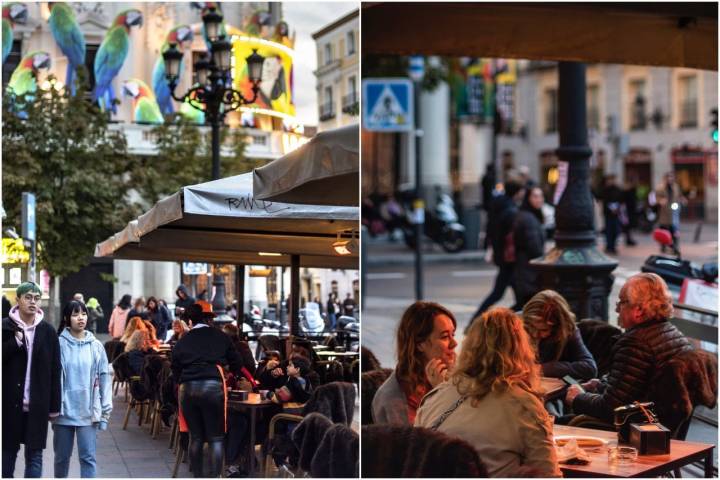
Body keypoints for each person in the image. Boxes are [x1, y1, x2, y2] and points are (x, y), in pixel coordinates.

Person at [415, 307, 561, 478]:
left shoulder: (434, 397)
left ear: (469, 346)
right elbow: (548, 474)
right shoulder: (525, 407)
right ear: (522, 350)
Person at [565, 273, 693, 423]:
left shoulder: (636, 343)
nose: (617, 309)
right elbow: (632, 388)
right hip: (656, 426)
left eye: (621, 302)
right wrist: (600, 385)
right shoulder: (671, 333)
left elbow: (611, 408)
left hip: (634, 430)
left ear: (638, 310)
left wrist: (577, 398)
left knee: (550, 425)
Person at [171, 302, 242, 478]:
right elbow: (237, 363)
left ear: (190, 320)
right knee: (216, 438)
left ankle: (198, 476)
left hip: (187, 388)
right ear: (207, 318)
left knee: (195, 437)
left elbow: (175, 368)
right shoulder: (220, 336)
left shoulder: (183, 340)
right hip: (213, 386)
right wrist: (229, 371)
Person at [2, 282, 61, 478]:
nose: (33, 302)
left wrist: (54, 406)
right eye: (28, 297)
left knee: (35, 457)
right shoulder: (5, 327)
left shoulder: (48, 332)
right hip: (8, 404)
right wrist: (15, 343)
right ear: (17, 300)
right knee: (6, 457)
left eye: (36, 298)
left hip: (37, 405)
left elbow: (55, 370)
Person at [372, 301, 458, 425]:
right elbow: (421, 441)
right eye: (444, 337)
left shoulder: (451, 375)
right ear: (420, 344)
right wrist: (441, 395)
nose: (454, 343)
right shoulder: (395, 399)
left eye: (453, 334)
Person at [53, 300, 112, 478]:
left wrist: (105, 411)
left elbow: (104, 378)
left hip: (88, 413)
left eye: (84, 313)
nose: (81, 318)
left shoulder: (96, 346)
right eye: (75, 314)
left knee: (88, 458)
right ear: (66, 318)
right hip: (63, 413)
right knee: (61, 459)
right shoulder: (58, 345)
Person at [470, 179, 525, 322]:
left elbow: (493, 231)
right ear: (517, 192)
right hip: (509, 259)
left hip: (504, 257)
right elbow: (507, 236)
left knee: (517, 297)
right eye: (521, 191)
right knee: (505, 295)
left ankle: (487, 321)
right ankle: (488, 321)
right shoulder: (510, 211)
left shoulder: (500, 205)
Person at [522, 290, 597, 381]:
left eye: (544, 330)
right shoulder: (514, 325)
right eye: (532, 327)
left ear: (558, 327)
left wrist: (541, 369)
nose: (535, 334)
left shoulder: (568, 331)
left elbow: (589, 368)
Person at [513, 185, 546, 307]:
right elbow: (535, 247)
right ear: (528, 198)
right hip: (528, 271)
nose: (539, 199)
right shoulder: (528, 219)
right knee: (527, 308)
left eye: (541, 196)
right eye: (535, 196)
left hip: (526, 270)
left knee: (524, 307)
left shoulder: (529, 216)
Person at [654, 172, 685, 255]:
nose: (670, 179)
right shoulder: (660, 188)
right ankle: (663, 246)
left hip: (673, 211)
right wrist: (660, 201)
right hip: (664, 212)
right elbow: (656, 198)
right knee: (663, 229)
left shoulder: (675, 187)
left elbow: (679, 196)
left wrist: (682, 199)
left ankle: (675, 247)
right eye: (668, 177)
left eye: (671, 177)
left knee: (674, 229)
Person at [599, 174, 624, 254]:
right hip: (608, 213)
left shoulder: (617, 189)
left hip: (616, 213)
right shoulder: (604, 190)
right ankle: (609, 246)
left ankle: (612, 246)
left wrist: (617, 208)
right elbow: (601, 197)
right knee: (608, 230)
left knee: (615, 230)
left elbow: (621, 199)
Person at [622, 178, 638, 246]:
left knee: (630, 227)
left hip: (631, 211)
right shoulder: (624, 192)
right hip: (626, 212)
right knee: (627, 226)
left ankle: (629, 239)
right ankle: (628, 239)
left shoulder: (632, 191)